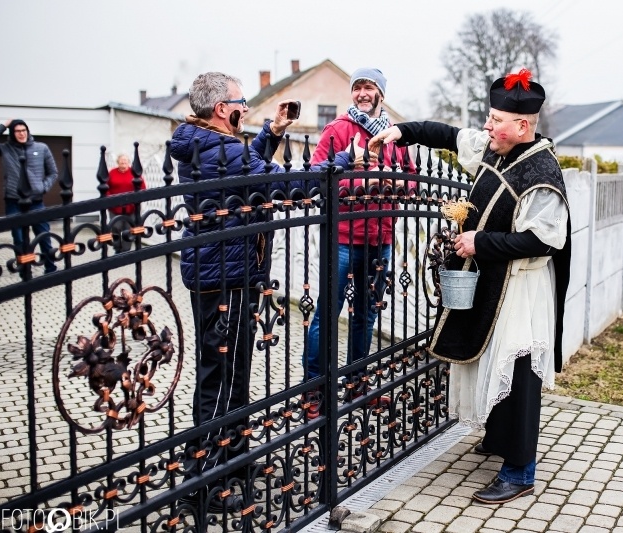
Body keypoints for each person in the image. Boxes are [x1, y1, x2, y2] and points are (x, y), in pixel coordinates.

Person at [370, 68, 571, 504]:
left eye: (496, 119)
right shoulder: (497, 149)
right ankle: (498, 440)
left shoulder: (542, 172)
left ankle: (520, 472)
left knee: (517, 373)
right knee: (491, 363)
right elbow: (447, 135)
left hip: (521, 288)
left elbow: (543, 240)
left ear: (522, 126)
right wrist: (402, 132)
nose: (487, 125)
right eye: (490, 117)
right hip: (494, 281)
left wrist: (480, 241)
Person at [170, 71, 344, 510]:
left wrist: (272, 133)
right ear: (222, 109)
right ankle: (203, 485)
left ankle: (232, 460)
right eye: (240, 102)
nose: (246, 108)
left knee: (229, 376)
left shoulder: (205, 143)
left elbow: (244, 176)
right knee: (221, 381)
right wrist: (341, 161)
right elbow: (283, 184)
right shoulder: (222, 149)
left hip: (221, 273)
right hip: (226, 278)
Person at [303, 68, 414, 418]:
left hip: (381, 238)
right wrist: (360, 185)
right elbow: (316, 175)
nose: (362, 93)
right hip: (344, 239)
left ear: (381, 93)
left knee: (366, 316)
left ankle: (357, 385)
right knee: (327, 315)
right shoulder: (338, 130)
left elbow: (412, 177)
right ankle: (313, 391)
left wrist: (401, 186)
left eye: (369, 87)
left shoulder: (395, 135)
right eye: (357, 88)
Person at [0, 119, 58, 273]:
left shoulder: (41, 148)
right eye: (17, 131)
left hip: (36, 201)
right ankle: (25, 272)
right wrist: (4, 125)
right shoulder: (6, 149)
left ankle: (50, 269)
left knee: (43, 236)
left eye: (24, 130)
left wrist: (43, 187)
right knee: (19, 239)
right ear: (12, 133)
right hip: (14, 201)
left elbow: (53, 172)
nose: (21, 134)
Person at [106, 154, 146, 253]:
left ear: (128, 162)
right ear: (118, 162)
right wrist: (110, 199)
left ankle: (126, 250)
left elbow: (142, 187)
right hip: (115, 206)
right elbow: (106, 188)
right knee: (116, 226)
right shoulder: (112, 173)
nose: (123, 162)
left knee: (128, 228)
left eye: (125, 160)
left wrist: (136, 199)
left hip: (131, 206)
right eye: (121, 160)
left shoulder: (134, 173)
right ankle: (117, 248)